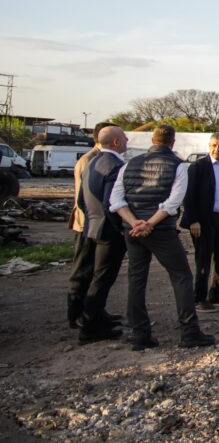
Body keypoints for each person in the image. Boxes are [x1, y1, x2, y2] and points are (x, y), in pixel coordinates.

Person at [109, 125, 215, 351]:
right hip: (161, 230)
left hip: (133, 230)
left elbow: (116, 200)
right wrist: (150, 223)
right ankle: (189, 331)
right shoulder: (177, 166)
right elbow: (173, 202)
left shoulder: (129, 165)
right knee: (182, 276)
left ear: (152, 140)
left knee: (136, 278)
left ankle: (139, 334)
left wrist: (134, 222)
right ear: (172, 142)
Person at [76, 126, 129, 343]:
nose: (127, 139)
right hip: (109, 231)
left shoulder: (91, 162)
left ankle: (98, 316)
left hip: (93, 227)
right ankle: (90, 327)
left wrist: (92, 220)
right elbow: (112, 203)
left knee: (98, 276)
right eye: (124, 137)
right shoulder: (116, 166)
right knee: (103, 278)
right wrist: (120, 227)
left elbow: (81, 200)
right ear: (116, 142)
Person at [66, 122, 120, 329]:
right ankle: (76, 314)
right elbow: (84, 199)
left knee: (96, 272)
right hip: (88, 225)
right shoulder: (89, 160)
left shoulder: (99, 159)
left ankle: (94, 311)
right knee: (83, 271)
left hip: (93, 224)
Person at [182, 133, 219, 312]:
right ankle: (199, 297)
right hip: (205, 221)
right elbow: (189, 195)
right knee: (203, 258)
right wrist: (193, 220)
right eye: (214, 145)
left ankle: (216, 293)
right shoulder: (198, 167)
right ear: (209, 146)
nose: (217, 149)